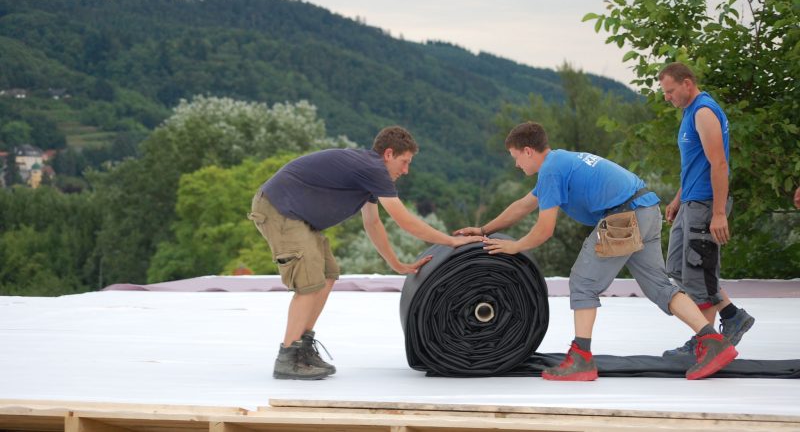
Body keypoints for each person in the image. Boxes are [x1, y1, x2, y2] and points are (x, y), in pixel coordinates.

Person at [454, 122, 737, 381]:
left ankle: (581, 359)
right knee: (660, 287)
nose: (516, 164)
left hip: (624, 216)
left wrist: (514, 246)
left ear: (528, 151)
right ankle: (712, 341)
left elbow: (544, 230)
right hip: (646, 209)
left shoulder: (552, 169)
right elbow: (522, 206)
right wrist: (483, 230)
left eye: (515, 156)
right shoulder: (559, 161)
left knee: (582, 282)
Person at [248, 126, 482, 380]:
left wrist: (395, 263)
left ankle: (301, 348)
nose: (406, 171)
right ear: (389, 154)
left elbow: (373, 223)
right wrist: (450, 242)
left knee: (327, 275)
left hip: (297, 216)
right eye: (404, 162)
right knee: (309, 284)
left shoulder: (369, 173)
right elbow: (404, 220)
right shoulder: (374, 169)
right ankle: (288, 357)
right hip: (279, 209)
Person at [658, 62, 754, 357]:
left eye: (670, 91)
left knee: (699, 274)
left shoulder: (704, 112)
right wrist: (678, 199)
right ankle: (731, 315)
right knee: (676, 267)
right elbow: (695, 166)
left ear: (688, 83)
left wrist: (719, 213)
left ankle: (705, 342)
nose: (667, 97)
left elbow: (719, 164)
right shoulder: (690, 112)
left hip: (706, 205)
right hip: (691, 201)